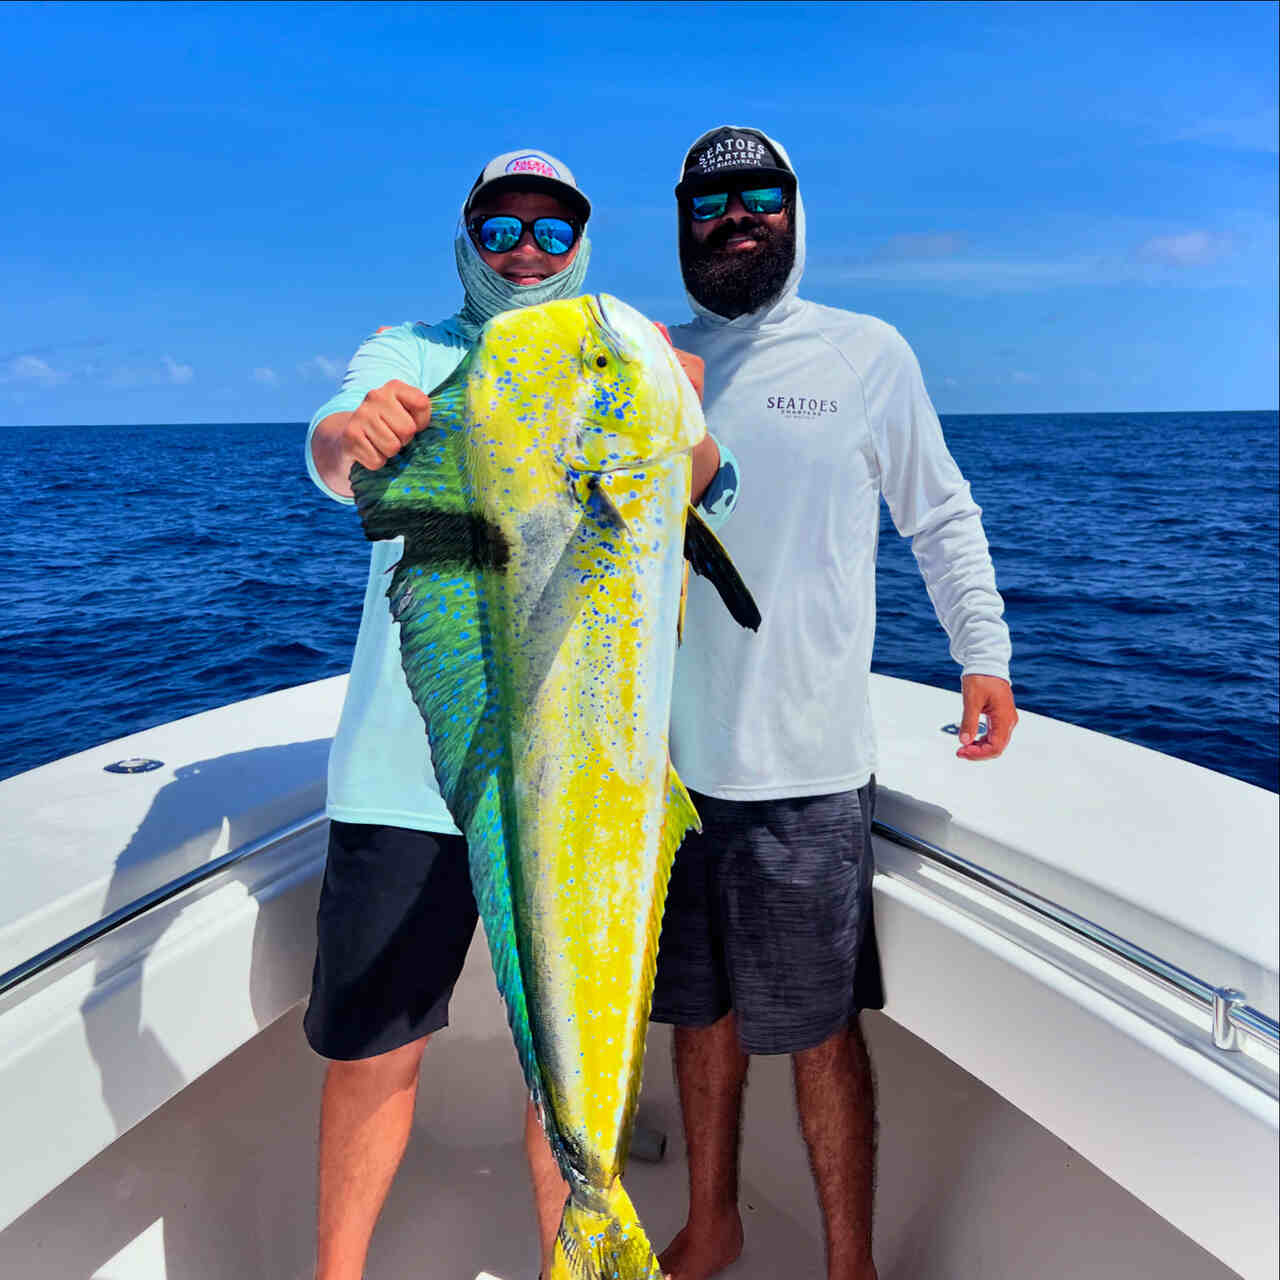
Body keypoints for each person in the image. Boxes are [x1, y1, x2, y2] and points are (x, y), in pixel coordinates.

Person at [302, 147, 723, 1280]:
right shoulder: (416, 351)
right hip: (405, 773)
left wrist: (677, 410)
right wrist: (362, 431)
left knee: (569, 1042)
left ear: (579, 240)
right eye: (500, 230)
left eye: (549, 230)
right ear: (467, 243)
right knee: (374, 1052)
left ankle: (578, 1250)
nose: (525, 250)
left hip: (576, 780)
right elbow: (334, 448)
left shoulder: (623, 360)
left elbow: (695, 483)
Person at [651, 126, 1019, 1280]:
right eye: (709, 204)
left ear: (795, 213)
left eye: (757, 196)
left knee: (816, 1032)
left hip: (806, 769)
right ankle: (713, 1221)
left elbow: (938, 511)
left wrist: (983, 651)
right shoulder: (654, 363)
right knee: (694, 1016)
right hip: (661, 771)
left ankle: (847, 1264)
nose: (734, 217)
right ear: (681, 226)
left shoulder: (866, 352)